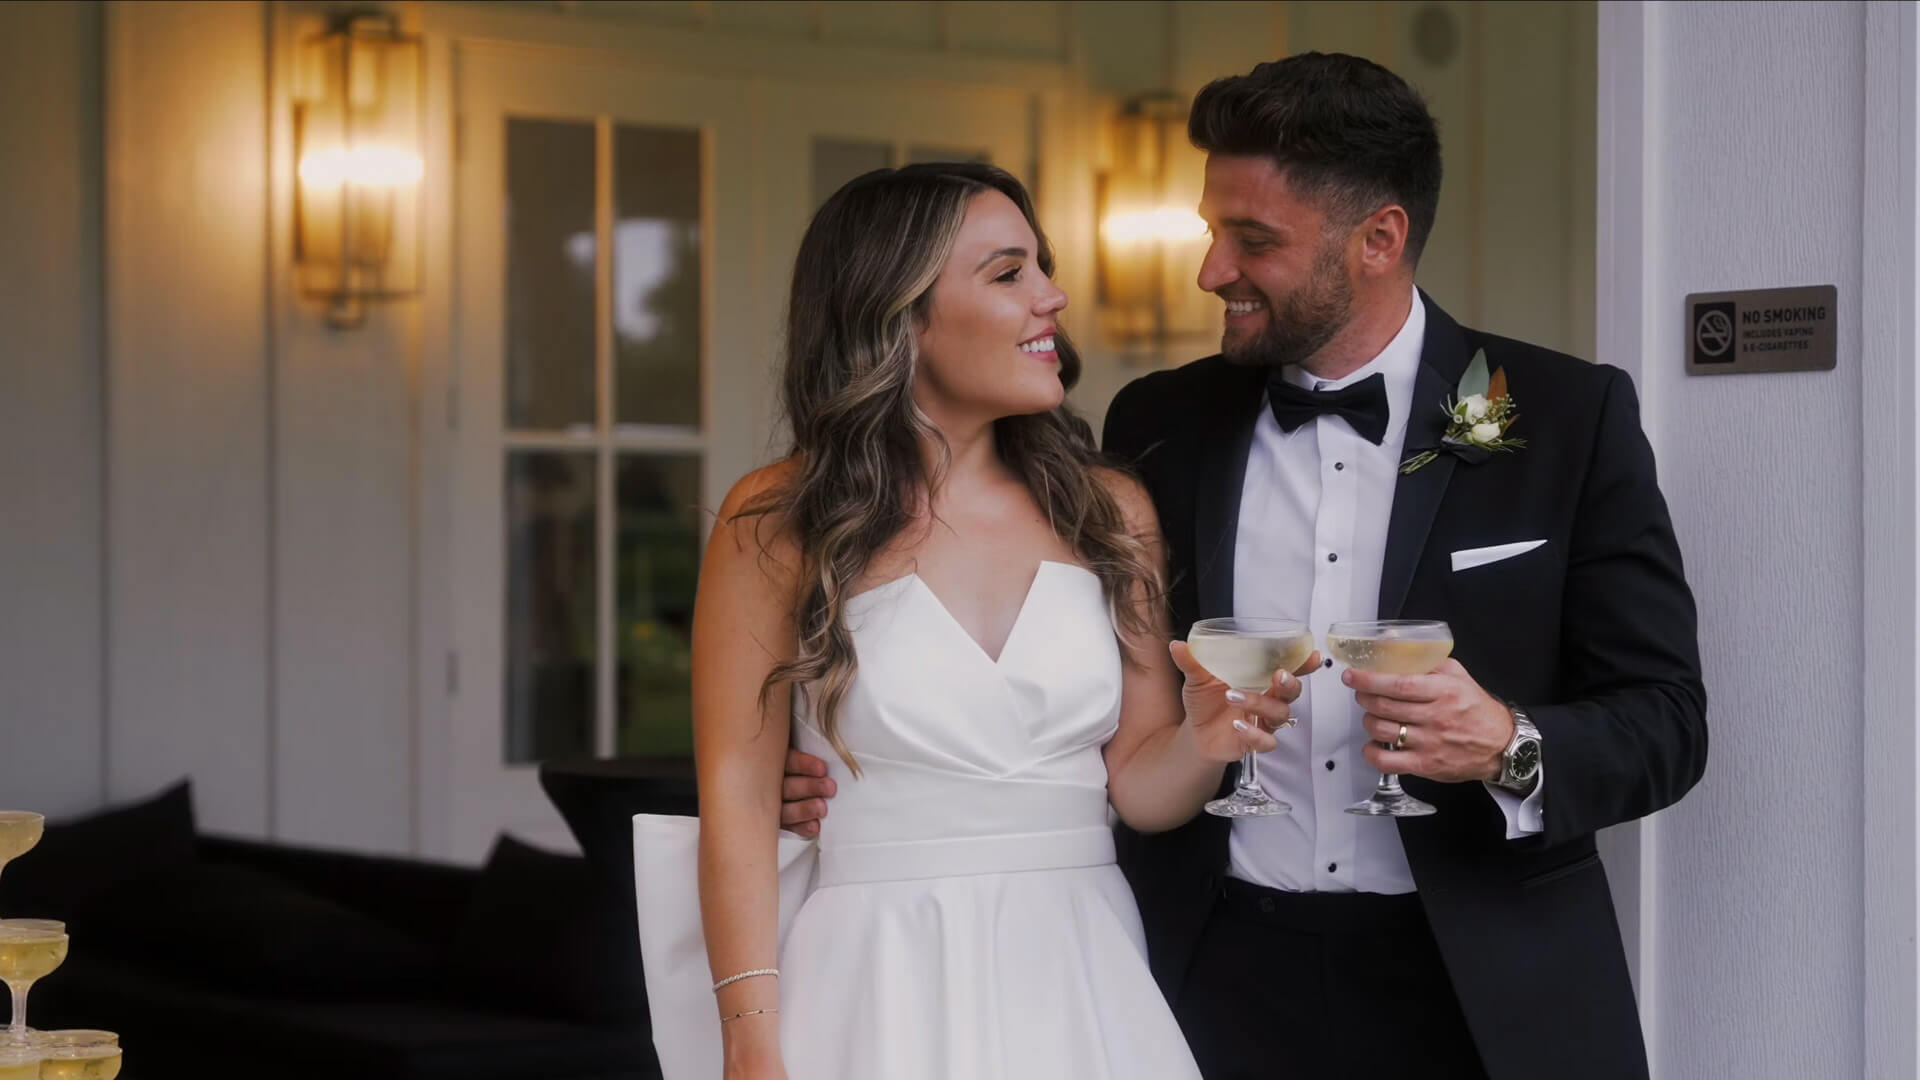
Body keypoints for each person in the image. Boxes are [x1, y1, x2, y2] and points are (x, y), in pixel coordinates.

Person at [785, 55, 1707, 1080]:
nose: (1211, 270)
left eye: (1253, 240)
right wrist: (860, 768)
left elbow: (1667, 718)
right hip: (1206, 980)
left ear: (1379, 239)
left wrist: (1507, 744)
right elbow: (1073, 680)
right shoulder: (1157, 426)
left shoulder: (1566, 417)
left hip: (1485, 990)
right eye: (1210, 231)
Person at [688, 161, 1313, 1080]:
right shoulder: (777, 519)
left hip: (1079, 967)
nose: (1053, 298)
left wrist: (1206, 738)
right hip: (870, 971)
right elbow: (738, 803)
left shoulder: (1109, 507)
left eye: (1042, 268)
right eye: (1009, 272)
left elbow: (1139, 787)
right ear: (900, 311)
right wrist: (749, 1042)